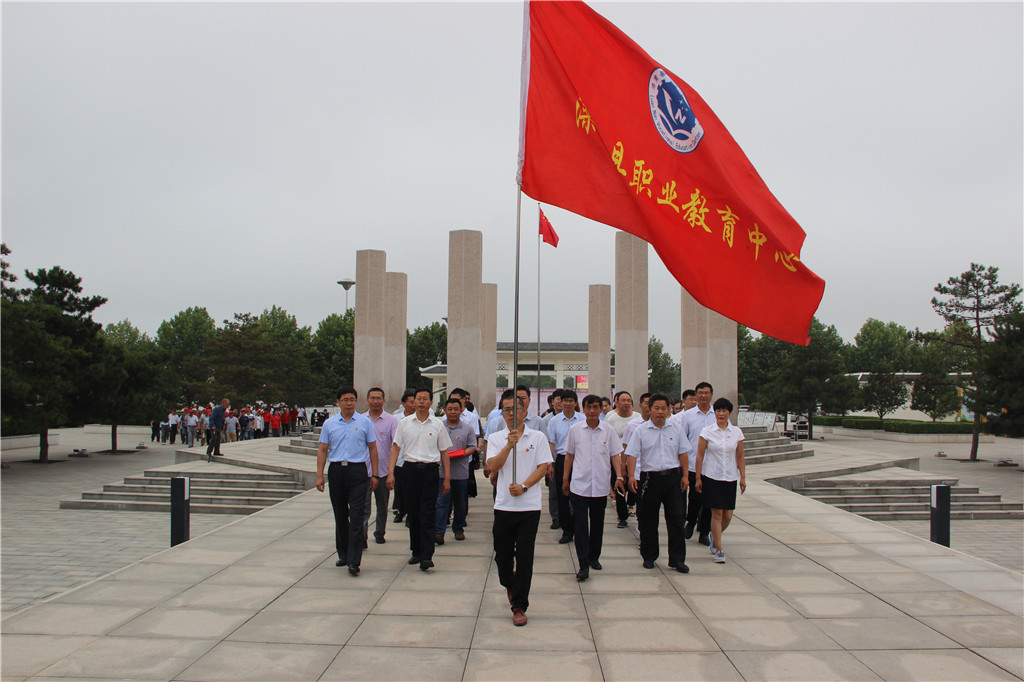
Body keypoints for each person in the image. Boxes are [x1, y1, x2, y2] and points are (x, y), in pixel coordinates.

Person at [487, 390, 552, 626]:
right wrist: (508, 446)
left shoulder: (538, 437)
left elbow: (543, 466)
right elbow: (492, 465)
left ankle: (519, 605)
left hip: (529, 507)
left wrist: (524, 486)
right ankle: (509, 583)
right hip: (504, 507)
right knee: (503, 557)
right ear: (502, 413)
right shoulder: (496, 438)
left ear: (525, 410)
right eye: (507, 409)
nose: (512, 413)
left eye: (516, 408)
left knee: (525, 557)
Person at [315, 387, 378, 577]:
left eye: (351, 399)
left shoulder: (365, 422)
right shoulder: (329, 423)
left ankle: (354, 560)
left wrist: (375, 474)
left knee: (357, 516)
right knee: (340, 515)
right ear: (338, 403)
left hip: (358, 471)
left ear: (356, 401)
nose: (349, 403)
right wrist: (319, 475)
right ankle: (343, 553)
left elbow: (373, 449)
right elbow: (323, 449)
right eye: (345, 400)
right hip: (336, 471)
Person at [387, 388, 451, 571]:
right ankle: (416, 550)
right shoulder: (405, 423)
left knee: (428, 513)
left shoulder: (438, 425)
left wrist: (447, 478)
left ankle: (427, 555)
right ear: (413, 402)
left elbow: (444, 452)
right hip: (409, 470)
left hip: (430, 471)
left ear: (431, 403)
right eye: (418, 399)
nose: (421, 402)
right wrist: (390, 473)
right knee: (413, 513)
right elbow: (395, 448)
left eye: (425, 399)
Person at [625, 394, 689, 573]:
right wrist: (631, 476)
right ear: (649, 409)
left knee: (676, 518)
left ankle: (677, 560)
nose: (660, 412)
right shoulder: (641, 430)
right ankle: (649, 556)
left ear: (670, 409)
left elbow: (683, 453)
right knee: (648, 520)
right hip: (649, 479)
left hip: (673, 478)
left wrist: (685, 476)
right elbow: (632, 455)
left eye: (664, 408)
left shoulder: (676, 428)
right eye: (656, 408)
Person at [563, 394, 624, 581]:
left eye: (596, 407)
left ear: (600, 409)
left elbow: (615, 455)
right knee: (581, 527)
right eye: (588, 407)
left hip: (600, 486)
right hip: (579, 486)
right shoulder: (575, 430)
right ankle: (583, 565)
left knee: (597, 525)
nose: (592, 411)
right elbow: (569, 456)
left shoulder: (608, 430)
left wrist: (619, 476)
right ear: (584, 408)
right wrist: (566, 479)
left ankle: (594, 557)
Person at [695, 397, 746, 564]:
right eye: (718, 411)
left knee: (728, 515)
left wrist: (743, 477)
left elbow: (740, 455)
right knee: (716, 513)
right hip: (712, 476)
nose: (721, 414)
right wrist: (698, 477)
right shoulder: (707, 431)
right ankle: (719, 549)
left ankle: (714, 535)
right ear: (714, 412)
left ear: (729, 413)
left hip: (730, 476)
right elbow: (700, 455)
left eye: (724, 411)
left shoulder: (736, 432)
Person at [673, 382, 717, 546]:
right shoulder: (688, 416)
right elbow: (681, 438)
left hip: (711, 465)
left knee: (709, 500)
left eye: (706, 393)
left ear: (711, 394)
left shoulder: (716, 414)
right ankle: (690, 522)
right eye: (700, 393)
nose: (703, 396)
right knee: (694, 497)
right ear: (696, 395)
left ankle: (704, 530)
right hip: (691, 464)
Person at [436, 397, 477, 544]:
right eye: (450, 409)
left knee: (460, 504)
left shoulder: (468, 428)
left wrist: (461, 453)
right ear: (445, 411)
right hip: (441, 472)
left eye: (456, 409)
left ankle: (458, 529)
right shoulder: (438, 426)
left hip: (460, 473)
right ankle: (439, 531)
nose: (453, 412)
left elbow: (473, 447)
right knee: (442, 503)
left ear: (461, 411)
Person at [546, 389, 583, 544]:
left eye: (570, 401)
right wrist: (550, 463)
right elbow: (551, 443)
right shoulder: (554, 421)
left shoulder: (582, 419)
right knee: (562, 496)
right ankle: (567, 530)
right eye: (565, 401)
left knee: (579, 496)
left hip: (580, 461)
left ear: (575, 403)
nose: (567, 404)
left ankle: (578, 527)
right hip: (561, 460)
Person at [362, 387, 399, 545]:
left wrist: (392, 471)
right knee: (363, 507)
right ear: (367, 400)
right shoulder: (361, 419)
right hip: (363, 471)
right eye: (372, 398)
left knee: (382, 505)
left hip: (383, 470)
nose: (375, 401)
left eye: (378, 398)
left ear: (384, 400)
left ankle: (379, 532)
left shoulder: (391, 420)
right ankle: (362, 536)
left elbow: (396, 446)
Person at [604, 391, 636, 529]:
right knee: (619, 484)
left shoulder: (637, 419)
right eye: (623, 400)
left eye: (628, 400)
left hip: (633, 458)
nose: (626, 403)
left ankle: (632, 505)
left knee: (633, 484)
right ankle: (622, 516)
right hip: (616, 457)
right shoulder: (611, 418)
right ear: (616, 402)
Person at [391, 388, 418, 522]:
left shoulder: (421, 418)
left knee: (412, 490)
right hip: (400, 460)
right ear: (403, 403)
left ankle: (410, 516)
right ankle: (400, 511)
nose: (414, 404)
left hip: (414, 459)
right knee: (399, 488)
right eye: (411, 402)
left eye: (416, 401)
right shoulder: (395, 419)